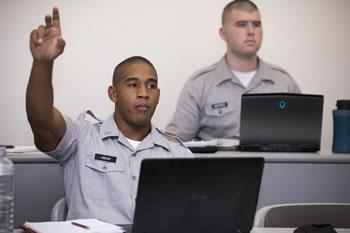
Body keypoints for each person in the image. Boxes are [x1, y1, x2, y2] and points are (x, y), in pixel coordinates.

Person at [26, 7, 192, 224]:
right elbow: (41, 120)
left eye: (151, 86)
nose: (144, 93)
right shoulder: (81, 139)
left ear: (158, 95)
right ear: (113, 93)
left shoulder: (178, 155)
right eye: (133, 85)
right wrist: (43, 63)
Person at [166, 0, 301, 142]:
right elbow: (174, 141)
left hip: (273, 164)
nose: (251, 32)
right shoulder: (200, 84)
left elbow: (303, 139)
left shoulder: (284, 83)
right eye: (241, 25)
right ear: (223, 34)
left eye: (256, 25)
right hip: (218, 164)